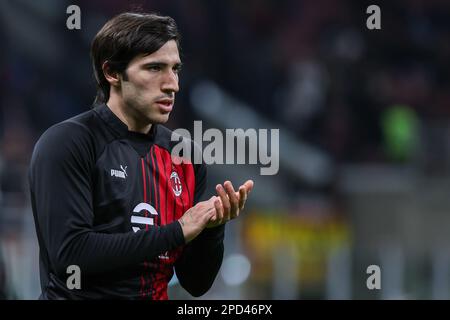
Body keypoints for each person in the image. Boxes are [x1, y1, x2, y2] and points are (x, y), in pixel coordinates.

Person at [28, 12, 253, 300]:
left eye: (175, 69)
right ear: (112, 73)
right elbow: (71, 256)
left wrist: (212, 228)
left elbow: (196, 284)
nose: (172, 84)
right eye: (154, 68)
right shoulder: (68, 143)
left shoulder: (184, 158)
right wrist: (178, 230)